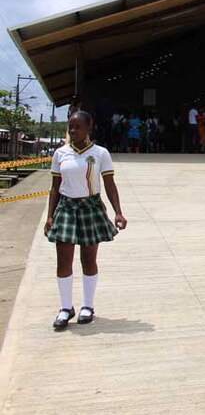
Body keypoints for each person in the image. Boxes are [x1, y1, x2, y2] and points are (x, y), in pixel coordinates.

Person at [45, 110, 127, 330]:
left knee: (88, 260)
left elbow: (109, 184)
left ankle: (88, 306)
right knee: (63, 260)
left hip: (90, 207)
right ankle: (65, 308)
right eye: (70, 127)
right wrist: (50, 215)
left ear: (89, 128)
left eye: (77, 127)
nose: (73, 131)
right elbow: (54, 188)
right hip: (66, 208)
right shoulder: (60, 153)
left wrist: (118, 211)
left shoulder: (100, 153)